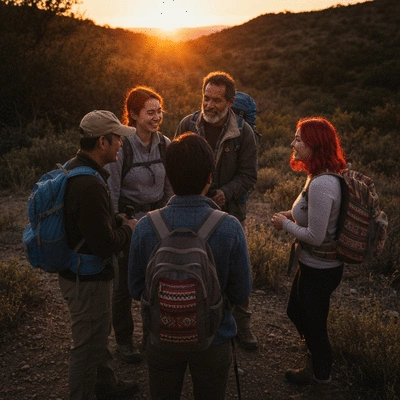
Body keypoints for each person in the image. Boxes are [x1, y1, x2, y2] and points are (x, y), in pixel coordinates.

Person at [128, 133, 252, 400]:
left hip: (161, 337)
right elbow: (242, 292)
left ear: (169, 178)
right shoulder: (229, 227)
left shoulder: (146, 226)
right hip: (215, 338)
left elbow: (135, 287)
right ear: (210, 176)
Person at [58, 110, 140, 400]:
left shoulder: (76, 168)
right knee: (86, 344)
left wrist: (115, 220)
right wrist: (128, 230)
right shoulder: (91, 184)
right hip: (87, 278)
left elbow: (90, 225)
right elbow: (105, 243)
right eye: (117, 138)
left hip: (79, 272)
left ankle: (105, 385)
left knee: (97, 334)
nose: (121, 144)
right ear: (102, 142)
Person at [175, 71, 259, 350]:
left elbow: (249, 175)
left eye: (217, 101)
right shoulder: (187, 124)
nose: (209, 105)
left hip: (229, 211)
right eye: (206, 98)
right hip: (190, 207)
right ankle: (188, 316)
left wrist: (226, 192)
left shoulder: (243, 133)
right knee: (190, 263)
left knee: (233, 266)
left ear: (231, 101)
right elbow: (174, 165)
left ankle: (241, 325)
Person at [271, 117, 346, 399]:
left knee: (315, 325)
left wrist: (284, 224)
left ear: (314, 145)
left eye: (299, 139)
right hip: (312, 264)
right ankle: (315, 362)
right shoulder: (316, 176)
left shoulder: (322, 184)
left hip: (321, 268)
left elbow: (315, 235)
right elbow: (315, 216)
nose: (293, 143)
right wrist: (293, 215)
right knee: (296, 311)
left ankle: (321, 382)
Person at [106, 86, 174, 363]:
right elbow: (111, 189)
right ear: (133, 114)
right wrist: (119, 221)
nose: (156, 117)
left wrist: (168, 214)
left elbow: (170, 185)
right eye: (150, 112)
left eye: (159, 111)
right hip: (129, 223)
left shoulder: (165, 144)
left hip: (158, 221)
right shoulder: (123, 146)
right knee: (123, 286)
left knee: (155, 282)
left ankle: (152, 335)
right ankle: (124, 340)